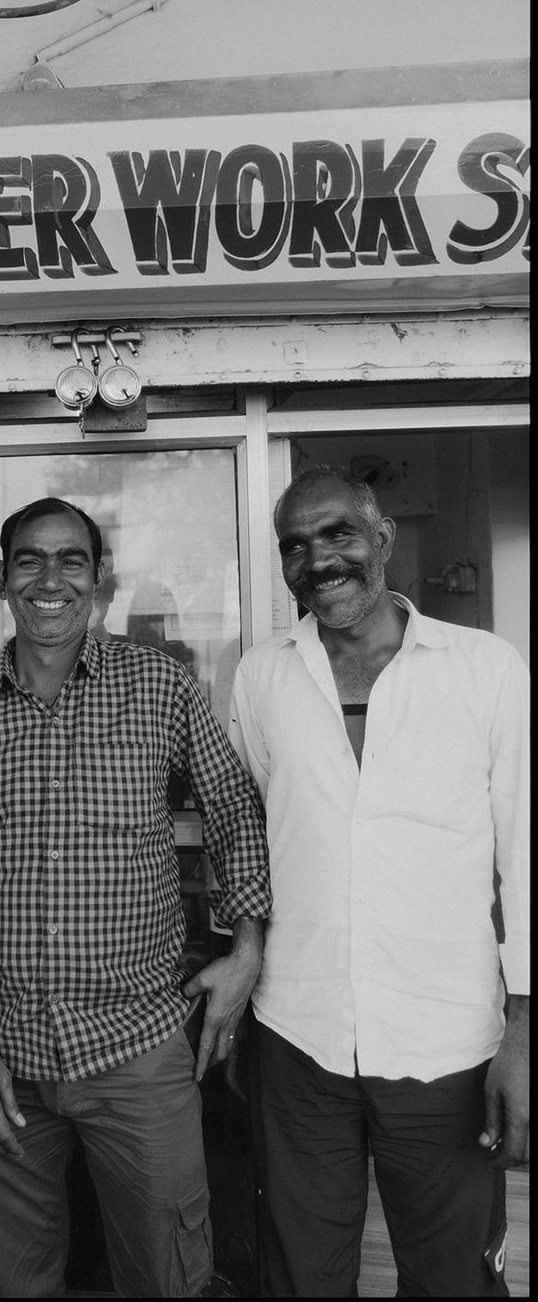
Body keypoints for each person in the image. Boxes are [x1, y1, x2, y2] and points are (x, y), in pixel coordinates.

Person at [0, 496, 271, 1299]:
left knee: (168, 1273)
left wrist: (246, 949)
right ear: (2, 580)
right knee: (12, 1276)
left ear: (98, 580)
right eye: (29, 560)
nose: (50, 578)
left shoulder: (158, 686)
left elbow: (233, 810)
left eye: (71, 560)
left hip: (135, 1052)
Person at [228, 465, 529, 1298]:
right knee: (301, 1272)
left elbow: (526, 852)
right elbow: (255, 834)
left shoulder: (483, 670)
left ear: (383, 539)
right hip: (298, 1035)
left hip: (443, 1043)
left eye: (337, 534)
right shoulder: (260, 678)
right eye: (295, 545)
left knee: (451, 1279)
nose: (317, 560)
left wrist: (525, 1031)